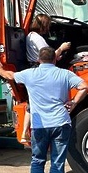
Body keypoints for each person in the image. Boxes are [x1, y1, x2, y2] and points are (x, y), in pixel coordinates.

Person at [0, 47, 88, 173]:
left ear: (38, 59)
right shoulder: (65, 74)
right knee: (57, 162)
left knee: (37, 161)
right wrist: (74, 102)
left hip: (39, 125)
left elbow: (9, 76)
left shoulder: (30, 74)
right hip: (61, 122)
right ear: (55, 59)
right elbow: (84, 86)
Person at [21, 13, 71, 143]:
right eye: (48, 25)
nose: (49, 28)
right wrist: (62, 48)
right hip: (38, 68)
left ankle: (24, 132)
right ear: (43, 25)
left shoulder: (31, 37)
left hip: (35, 66)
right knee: (34, 102)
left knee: (31, 102)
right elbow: (48, 55)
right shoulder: (37, 38)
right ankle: (25, 132)